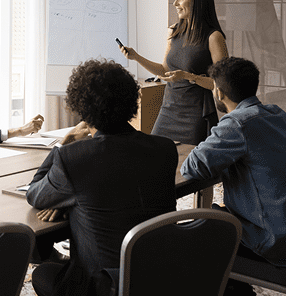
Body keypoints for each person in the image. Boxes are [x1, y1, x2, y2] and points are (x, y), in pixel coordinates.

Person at [26, 59, 178, 296]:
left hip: (105, 286)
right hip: (162, 276)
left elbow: (35, 194)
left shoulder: (73, 158)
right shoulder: (165, 149)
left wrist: (64, 145)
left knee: (42, 274)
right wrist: (75, 201)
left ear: (82, 109)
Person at [181, 57, 286, 296]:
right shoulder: (276, 113)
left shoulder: (237, 124)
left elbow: (192, 167)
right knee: (215, 218)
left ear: (219, 92)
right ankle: (236, 286)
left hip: (278, 244)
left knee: (190, 236)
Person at [119, 0, 228, 145]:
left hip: (195, 114)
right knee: (154, 152)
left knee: (187, 159)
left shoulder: (214, 37)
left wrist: (188, 76)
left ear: (197, 2)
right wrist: (136, 57)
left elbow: (223, 83)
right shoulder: (173, 31)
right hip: (168, 109)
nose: (175, 3)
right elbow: (164, 70)